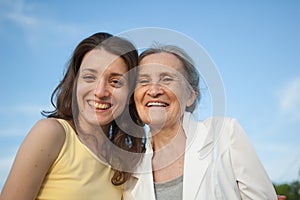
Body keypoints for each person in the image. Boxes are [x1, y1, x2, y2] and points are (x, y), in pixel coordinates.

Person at [0, 32, 145, 200]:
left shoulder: (124, 162)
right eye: (89, 77)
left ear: (130, 94)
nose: (100, 92)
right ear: (75, 83)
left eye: (115, 82)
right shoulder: (51, 133)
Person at [123, 45, 278, 199]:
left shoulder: (225, 134)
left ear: (191, 95)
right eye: (143, 81)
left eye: (167, 79)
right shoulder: (131, 172)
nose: (154, 90)